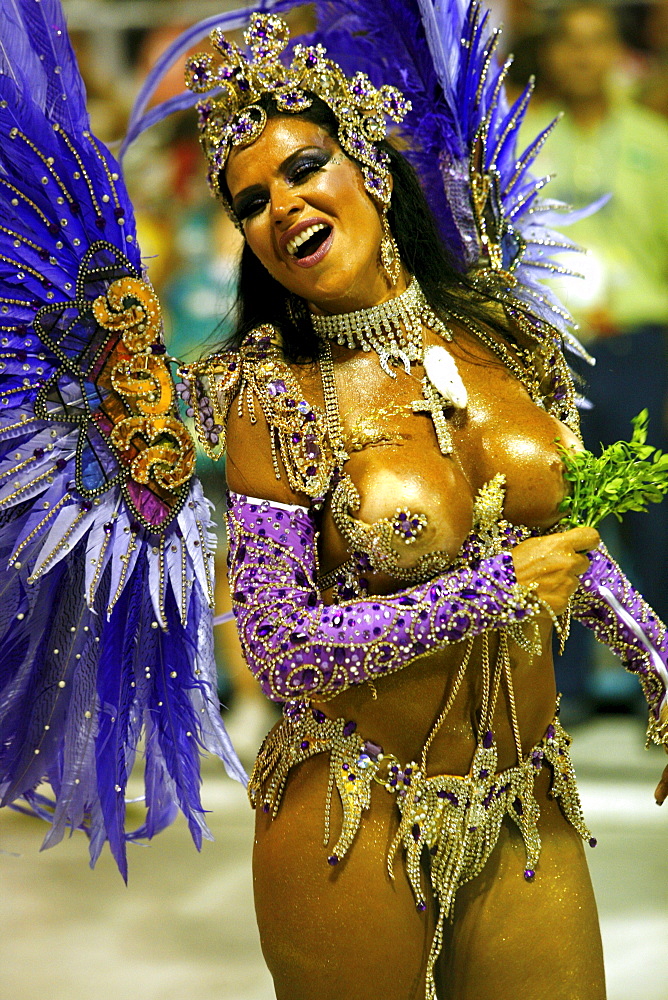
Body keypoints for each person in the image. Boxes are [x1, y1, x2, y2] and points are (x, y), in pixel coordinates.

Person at [1, 3, 667, 999]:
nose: (281, 206)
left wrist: (659, 664)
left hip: (525, 795)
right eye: (251, 199)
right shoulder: (274, 396)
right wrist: (488, 593)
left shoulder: (506, 335)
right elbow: (275, 642)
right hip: (350, 809)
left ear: (371, 168)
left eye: (303, 168)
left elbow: (559, 547)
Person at [521, 1, 668, 715]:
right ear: (551, 55)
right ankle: (564, 684)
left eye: (596, 42)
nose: (583, 56)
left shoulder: (656, 142)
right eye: (570, 44)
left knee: (654, 517)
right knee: (554, 514)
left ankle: (661, 675)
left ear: (616, 51)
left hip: (639, 348)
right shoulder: (520, 143)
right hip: (550, 350)